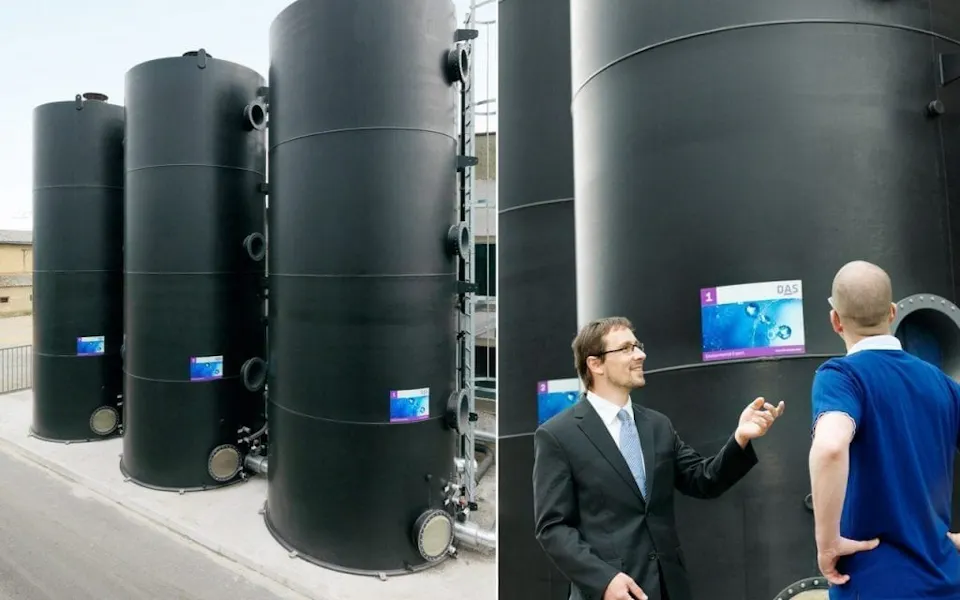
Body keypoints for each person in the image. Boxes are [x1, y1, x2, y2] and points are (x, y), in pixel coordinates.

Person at [532, 316, 785, 600]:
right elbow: (553, 528)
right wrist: (604, 581)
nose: (640, 355)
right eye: (626, 348)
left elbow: (704, 479)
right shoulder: (558, 435)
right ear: (595, 364)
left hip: (669, 589)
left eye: (637, 346)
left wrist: (740, 438)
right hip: (609, 593)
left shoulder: (657, 425)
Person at [809, 260, 960, 599]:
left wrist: (827, 544)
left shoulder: (841, 377)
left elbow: (830, 447)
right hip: (947, 583)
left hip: (873, 584)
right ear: (892, 312)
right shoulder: (943, 384)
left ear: (835, 320)